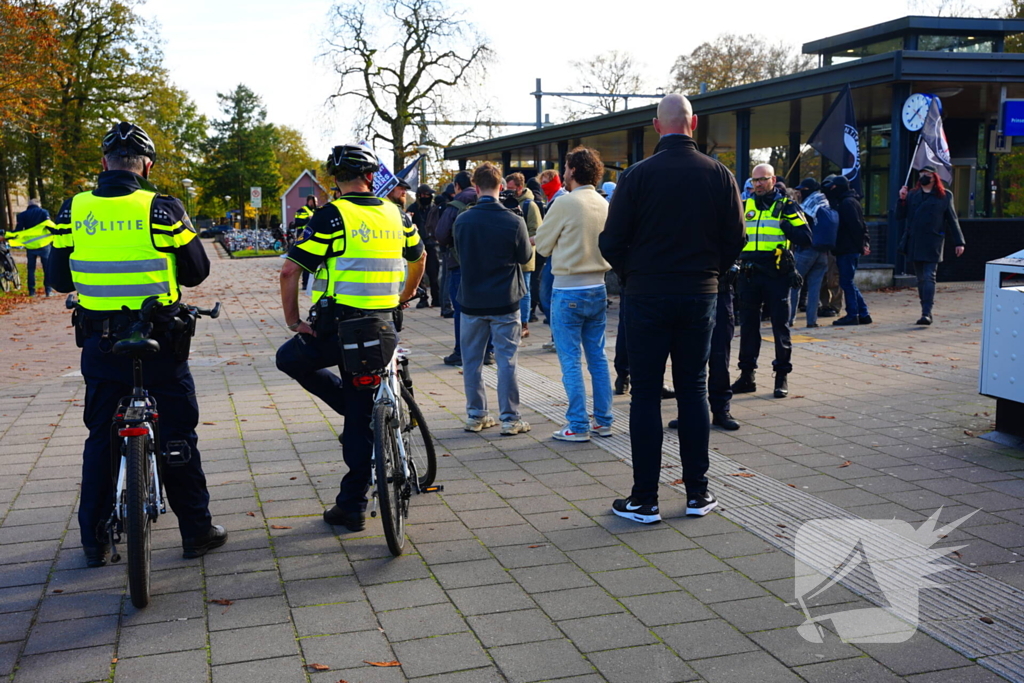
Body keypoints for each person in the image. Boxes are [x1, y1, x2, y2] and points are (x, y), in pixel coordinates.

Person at [47, 122, 225, 566]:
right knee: (177, 433)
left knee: (100, 437)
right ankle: (196, 531)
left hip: (101, 342)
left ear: (103, 163)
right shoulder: (163, 209)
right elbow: (197, 272)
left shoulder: (72, 210)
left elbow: (58, 279)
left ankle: (93, 541)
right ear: (146, 167)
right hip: (160, 341)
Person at [600, 94, 746, 523]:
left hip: (647, 294)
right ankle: (698, 493)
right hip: (700, 292)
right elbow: (735, 238)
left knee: (646, 393)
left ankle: (644, 499)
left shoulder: (636, 176)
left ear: (656, 126)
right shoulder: (719, 175)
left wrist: (634, 275)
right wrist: (710, 272)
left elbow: (611, 241)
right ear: (693, 124)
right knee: (694, 389)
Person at [276, 142, 425, 532]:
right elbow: (419, 257)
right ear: (371, 177)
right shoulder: (397, 214)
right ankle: (352, 501)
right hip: (383, 327)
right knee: (361, 411)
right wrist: (406, 294)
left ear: (335, 179)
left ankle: (353, 504)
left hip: (337, 328)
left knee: (289, 358)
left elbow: (290, 271)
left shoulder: (331, 215)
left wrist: (293, 321)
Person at [535, 147, 613, 442]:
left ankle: (578, 425)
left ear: (574, 170)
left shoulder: (564, 203)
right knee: (598, 358)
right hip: (598, 287)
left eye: (566, 167)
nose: (563, 173)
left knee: (570, 360)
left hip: (568, 289)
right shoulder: (603, 203)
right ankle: (603, 420)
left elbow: (543, 246)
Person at [454, 162, 532, 435]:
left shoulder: (463, 220)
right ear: (501, 186)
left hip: (472, 300)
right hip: (505, 299)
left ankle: (476, 415)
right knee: (506, 361)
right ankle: (510, 418)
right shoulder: (514, 220)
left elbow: (459, 256)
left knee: (472, 361)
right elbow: (525, 257)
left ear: (476, 188)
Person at [731, 164, 812, 400]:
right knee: (748, 327)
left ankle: (781, 376)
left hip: (776, 273)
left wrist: (787, 226)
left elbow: (806, 237)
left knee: (780, 327)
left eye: (763, 180)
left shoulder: (786, 206)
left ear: (773, 180)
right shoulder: (744, 205)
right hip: (749, 273)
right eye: (754, 180)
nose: (758, 184)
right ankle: (747, 376)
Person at [898, 165, 965, 325]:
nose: (924, 176)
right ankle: (924, 309)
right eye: (922, 174)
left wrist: (959, 242)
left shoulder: (944, 196)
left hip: (933, 241)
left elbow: (952, 219)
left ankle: (927, 313)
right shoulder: (912, 195)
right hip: (915, 241)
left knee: (929, 276)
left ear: (935, 177)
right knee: (921, 279)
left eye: (928, 174)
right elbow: (899, 216)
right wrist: (902, 199)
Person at [823, 175, 872, 326]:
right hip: (849, 248)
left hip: (847, 249)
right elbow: (861, 225)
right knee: (848, 282)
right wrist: (864, 243)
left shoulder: (846, 203)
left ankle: (853, 314)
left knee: (847, 282)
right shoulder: (851, 201)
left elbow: (856, 226)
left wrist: (861, 245)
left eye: (834, 187)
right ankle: (863, 313)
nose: (831, 189)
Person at [505, 173, 542, 338]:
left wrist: (522, 243)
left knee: (524, 291)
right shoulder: (506, 202)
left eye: (511, 188)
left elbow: (537, 230)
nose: (508, 192)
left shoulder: (529, 205)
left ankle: (524, 324)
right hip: (510, 256)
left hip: (525, 256)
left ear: (520, 188)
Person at [791, 178, 831, 328]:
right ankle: (812, 321)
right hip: (823, 252)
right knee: (815, 288)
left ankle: (789, 319)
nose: (800, 193)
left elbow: (798, 228)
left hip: (806, 251)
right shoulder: (825, 203)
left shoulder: (807, 206)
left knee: (794, 284)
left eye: (802, 190)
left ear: (807, 190)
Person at [10, 198, 55, 296]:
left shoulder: (22, 215)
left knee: (31, 269)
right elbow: (49, 226)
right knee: (47, 268)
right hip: (43, 244)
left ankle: (31, 291)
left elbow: (18, 230)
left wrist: (8, 235)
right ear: (38, 204)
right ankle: (48, 290)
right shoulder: (44, 212)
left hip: (30, 245)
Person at [428, 183, 455, 317]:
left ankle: (444, 306)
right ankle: (446, 306)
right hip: (448, 245)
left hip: (442, 244)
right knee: (448, 277)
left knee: (444, 276)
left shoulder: (440, 205)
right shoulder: (448, 206)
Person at [410, 184, 439, 308]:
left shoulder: (434, 208)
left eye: (429, 195)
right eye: (426, 195)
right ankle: (423, 298)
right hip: (418, 244)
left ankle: (436, 298)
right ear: (420, 195)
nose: (428, 197)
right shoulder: (413, 208)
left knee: (434, 273)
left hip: (432, 244)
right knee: (419, 275)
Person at [293, 195, 319, 289]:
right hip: (304, 237)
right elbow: (297, 222)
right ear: (309, 201)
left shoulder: (315, 211)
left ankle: (310, 283)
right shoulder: (302, 211)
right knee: (305, 261)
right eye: (315, 201)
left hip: (313, 237)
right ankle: (305, 283)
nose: (316, 203)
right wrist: (309, 219)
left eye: (317, 202)